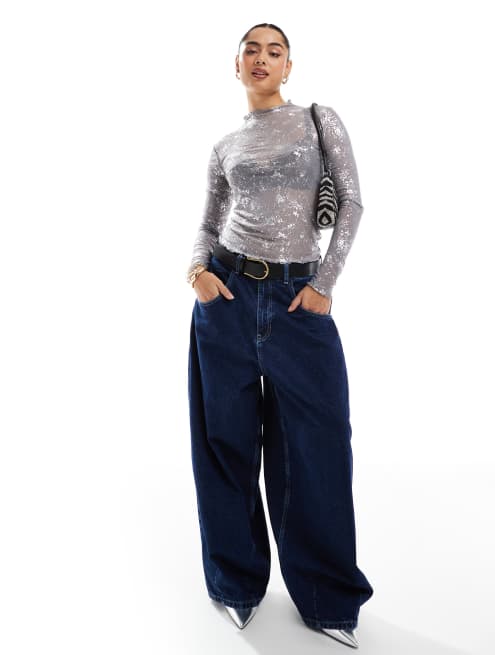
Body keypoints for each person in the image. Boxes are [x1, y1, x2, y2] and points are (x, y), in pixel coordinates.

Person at [186, 22, 374, 649]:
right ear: (236, 65)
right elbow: (208, 222)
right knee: (226, 443)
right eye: (252, 50)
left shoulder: (319, 121)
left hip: (300, 302)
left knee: (317, 446)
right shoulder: (224, 146)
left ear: (288, 67)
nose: (262, 58)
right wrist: (197, 271)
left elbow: (351, 202)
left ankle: (327, 598)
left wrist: (324, 285)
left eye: (275, 51)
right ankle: (235, 586)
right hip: (228, 297)